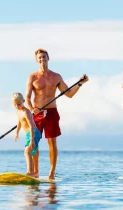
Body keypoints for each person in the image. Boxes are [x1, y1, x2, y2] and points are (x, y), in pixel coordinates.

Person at [25, 48, 89, 180]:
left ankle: (52, 173)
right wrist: (31, 109)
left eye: (44, 57)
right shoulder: (32, 77)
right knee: (34, 142)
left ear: (48, 58)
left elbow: (69, 94)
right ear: (37, 60)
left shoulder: (56, 77)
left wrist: (80, 84)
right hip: (37, 113)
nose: (42, 59)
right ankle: (35, 171)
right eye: (40, 57)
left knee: (52, 143)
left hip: (52, 113)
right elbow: (27, 97)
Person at [12, 92, 42, 177]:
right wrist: (17, 132)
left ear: (23, 101)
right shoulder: (18, 111)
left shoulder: (27, 112)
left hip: (34, 133)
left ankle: (30, 172)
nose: (17, 106)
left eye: (19, 104)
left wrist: (32, 140)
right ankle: (36, 173)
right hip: (28, 134)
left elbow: (32, 126)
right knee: (33, 152)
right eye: (15, 105)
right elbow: (19, 121)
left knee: (27, 151)